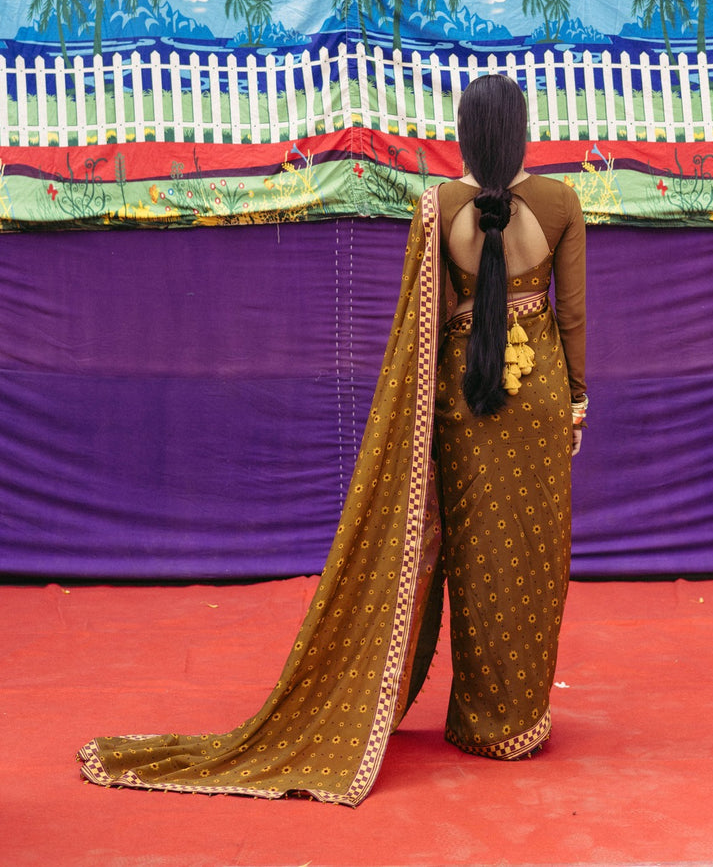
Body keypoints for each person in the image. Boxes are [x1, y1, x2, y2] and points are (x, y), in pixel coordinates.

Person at [77, 73, 587, 805]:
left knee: (474, 557)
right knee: (532, 556)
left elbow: (429, 323)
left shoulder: (436, 207)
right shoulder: (564, 202)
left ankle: (476, 716)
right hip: (536, 403)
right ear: (524, 128)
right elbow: (572, 321)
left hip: (462, 405)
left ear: (468, 133)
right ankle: (513, 721)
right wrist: (575, 403)